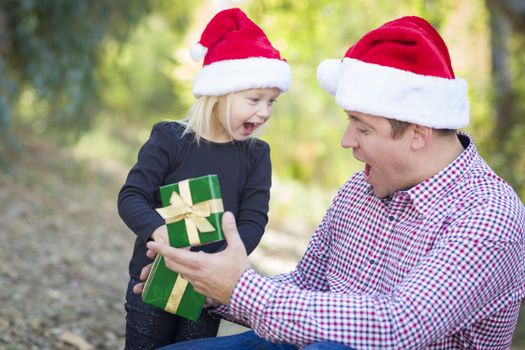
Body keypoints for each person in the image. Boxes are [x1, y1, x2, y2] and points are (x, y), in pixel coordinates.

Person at [135, 16, 525, 349]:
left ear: (418, 134)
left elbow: (399, 324)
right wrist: (208, 285)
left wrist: (241, 289)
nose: (346, 140)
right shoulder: (361, 190)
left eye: (362, 127)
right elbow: (307, 285)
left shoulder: (490, 216)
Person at [117, 7, 291, 350]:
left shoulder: (256, 155)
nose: (265, 111)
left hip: (209, 289)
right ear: (219, 93)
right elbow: (132, 196)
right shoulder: (169, 139)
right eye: (254, 99)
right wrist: (159, 230)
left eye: (272, 101)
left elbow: (254, 219)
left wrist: (224, 261)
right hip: (155, 276)